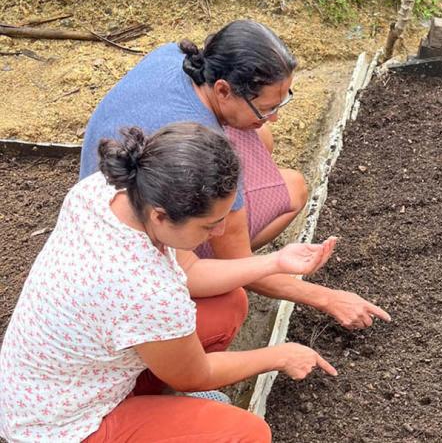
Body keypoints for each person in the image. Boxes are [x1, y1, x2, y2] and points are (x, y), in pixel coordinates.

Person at [0, 123, 389, 442]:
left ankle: (159, 403)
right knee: (246, 435)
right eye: (209, 224)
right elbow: (195, 374)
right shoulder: (145, 289)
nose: (221, 231)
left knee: (227, 306)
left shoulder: (107, 191)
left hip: (52, 377)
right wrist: (280, 355)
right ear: (161, 216)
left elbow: (192, 273)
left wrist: (276, 261)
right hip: (58, 427)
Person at [80, 19, 306, 260]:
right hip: (127, 239)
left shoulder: (173, 55)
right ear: (222, 90)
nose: (275, 118)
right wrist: (328, 298)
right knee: (295, 189)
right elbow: (238, 260)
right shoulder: (201, 140)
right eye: (266, 108)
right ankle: (206, 256)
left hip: (102, 188)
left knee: (261, 136)